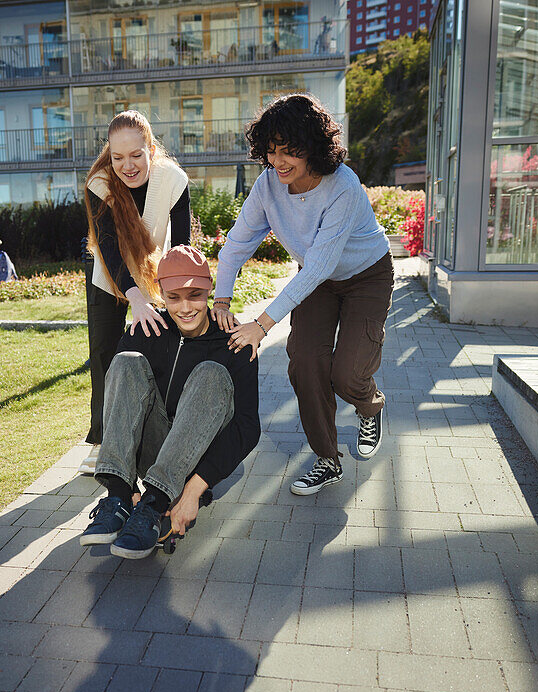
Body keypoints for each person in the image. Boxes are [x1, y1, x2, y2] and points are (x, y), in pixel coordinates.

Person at [212, 93, 393, 496]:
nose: (278, 161)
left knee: (347, 374)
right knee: (306, 363)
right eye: (271, 151)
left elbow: (320, 264)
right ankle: (327, 459)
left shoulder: (342, 185)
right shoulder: (267, 188)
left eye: (289, 150)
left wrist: (262, 324)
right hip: (317, 282)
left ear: (313, 145)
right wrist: (221, 299)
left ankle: (369, 406)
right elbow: (238, 243)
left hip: (366, 276)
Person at [80, 246, 260, 559]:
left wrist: (192, 492)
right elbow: (121, 407)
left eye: (195, 295)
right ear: (161, 294)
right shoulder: (145, 330)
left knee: (211, 374)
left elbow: (247, 427)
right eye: (174, 297)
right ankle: (120, 497)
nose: (185, 307)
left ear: (209, 292)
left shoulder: (234, 340)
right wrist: (131, 488)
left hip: (197, 464)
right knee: (124, 362)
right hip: (152, 456)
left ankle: (156, 503)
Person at [79, 110, 192, 474]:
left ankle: (158, 434)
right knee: (104, 357)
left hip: (153, 274)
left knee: (161, 349)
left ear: (151, 149)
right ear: (109, 156)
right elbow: (110, 250)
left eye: (136, 155)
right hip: (107, 275)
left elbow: (183, 246)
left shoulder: (173, 180)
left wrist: (178, 296)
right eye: (118, 157)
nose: (127, 166)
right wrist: (134, 298)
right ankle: (101, 441)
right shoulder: (100, 185)